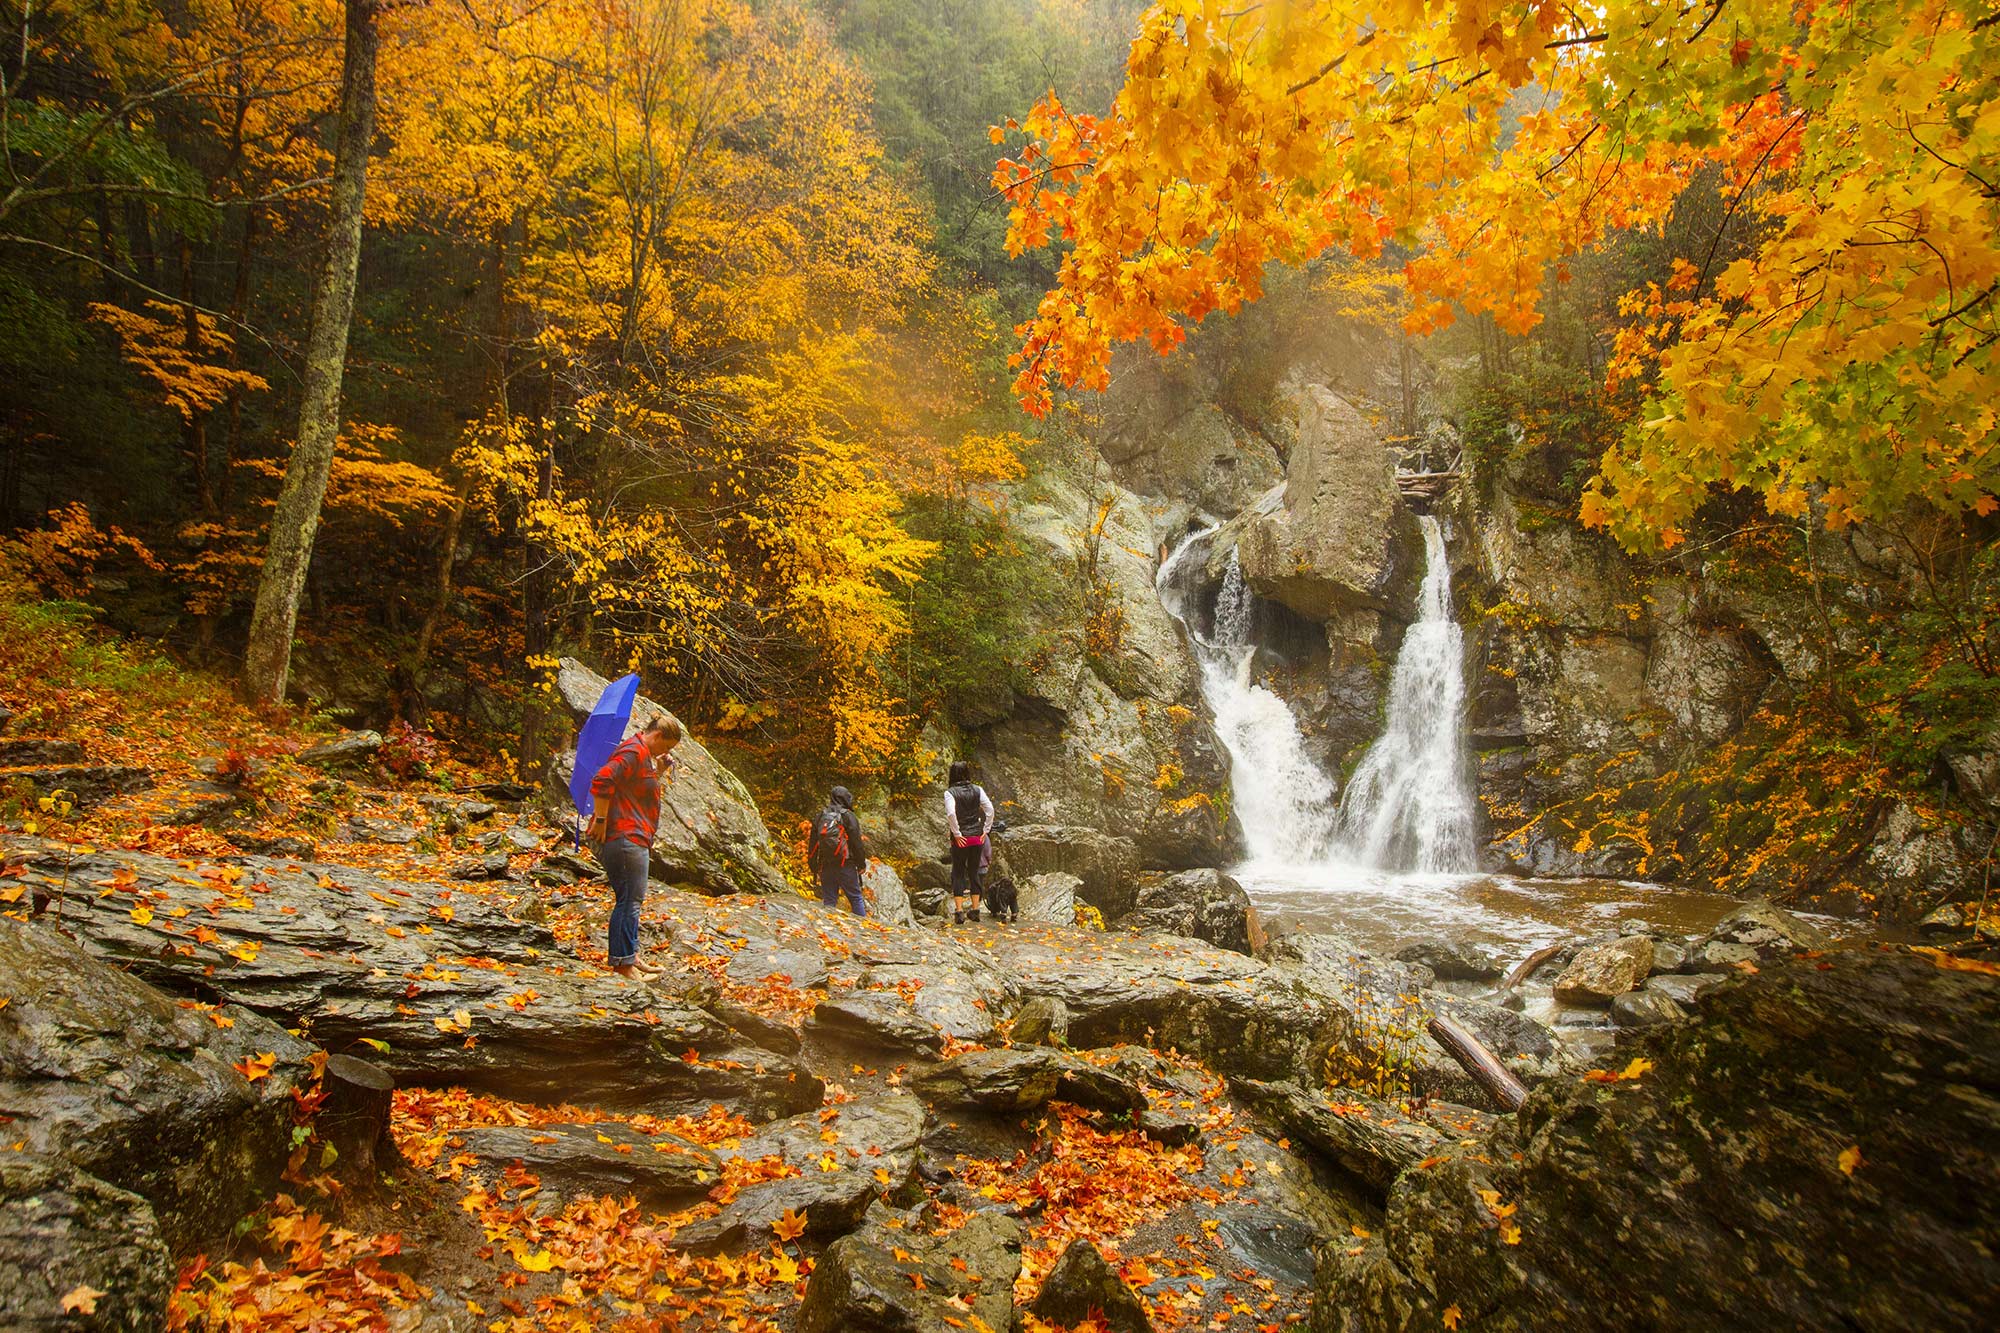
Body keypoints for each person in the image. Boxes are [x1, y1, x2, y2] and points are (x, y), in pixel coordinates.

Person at [584, 714, 682, 979]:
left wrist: (659, 771)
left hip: (633, 836)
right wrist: (602, 819)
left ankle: (630, 957)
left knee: (631, 900)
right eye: (668, 746)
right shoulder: (633, 752)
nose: (667, 752)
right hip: (626, 837)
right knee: (629, 901)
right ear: (658, 736)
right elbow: (603, 780)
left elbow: (636, 790)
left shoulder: (641, 755)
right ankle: (623, 965)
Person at [807, 784, 869, 917]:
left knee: (829, 901)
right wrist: (861, 864)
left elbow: (813, 843)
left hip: (826, 864)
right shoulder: (848, 816)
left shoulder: (820, 816)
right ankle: (864, 931)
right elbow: (856, 843)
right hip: (845, 864)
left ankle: (828, 932)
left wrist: (813, 865)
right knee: (855, 898)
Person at [944, 760, 993, 925]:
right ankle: (975, 909)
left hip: (961, 839)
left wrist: (957, 833)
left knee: (958, 873)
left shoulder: (950, 793)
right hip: (976, 837)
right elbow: (990, 810)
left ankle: (959, 912)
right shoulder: (978, 790)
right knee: (974, 872)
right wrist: (985, 830)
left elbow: (951, 813)